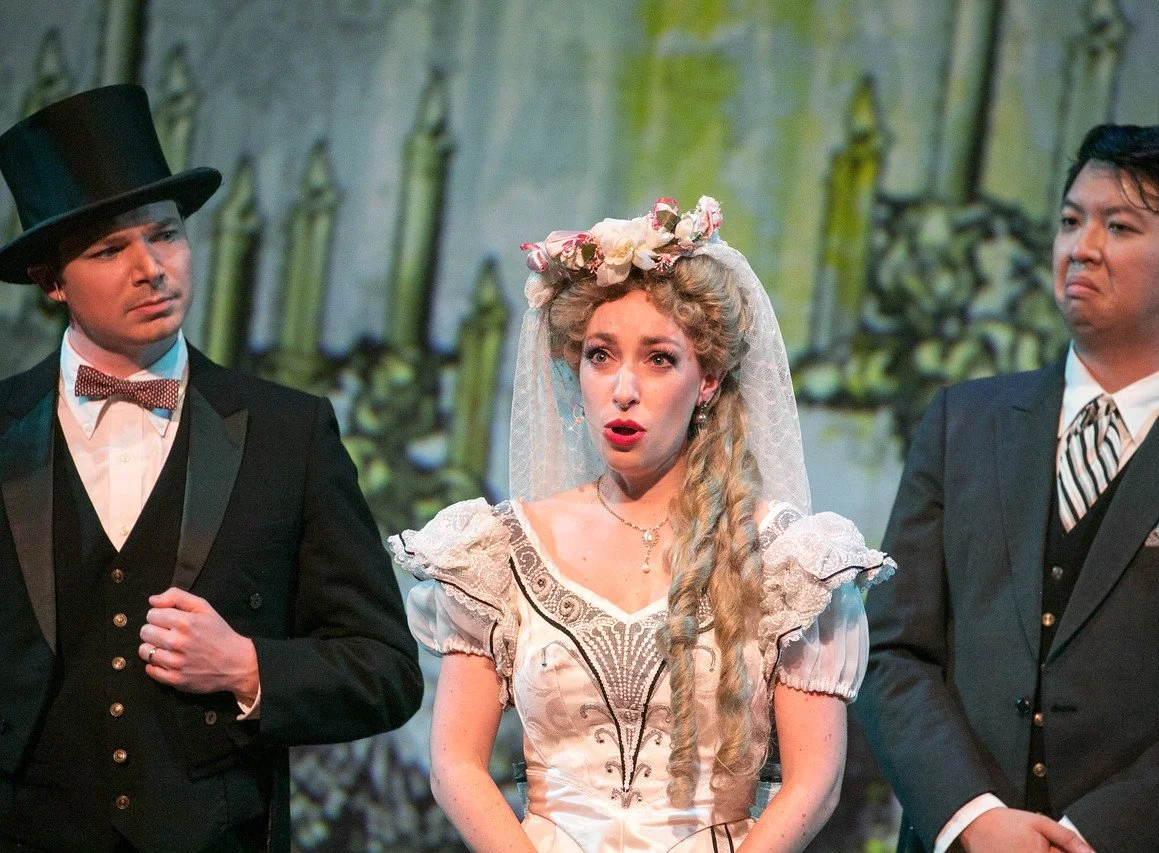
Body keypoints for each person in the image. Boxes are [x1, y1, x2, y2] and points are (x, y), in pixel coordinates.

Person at [391, 196, 893, 852]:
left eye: (658, 358)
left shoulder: (788, 559)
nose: (623, 388)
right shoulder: (500, 549)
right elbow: (457, 764)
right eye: (601, 355)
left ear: (707, 377)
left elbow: (813, 782)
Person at [0, 84, 423, 852]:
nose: (151, 268)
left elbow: (385, 669)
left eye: (165, 235)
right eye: (108, 250)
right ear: (51, 280)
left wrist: (247, 665)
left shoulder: (287, 433)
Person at [856, 123, 1159, 853]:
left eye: (1119, 226)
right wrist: (972, 816)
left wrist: (1093, 835)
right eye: (1069, 221)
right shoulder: (963, 420)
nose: (1079, 247)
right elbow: (895, 649)